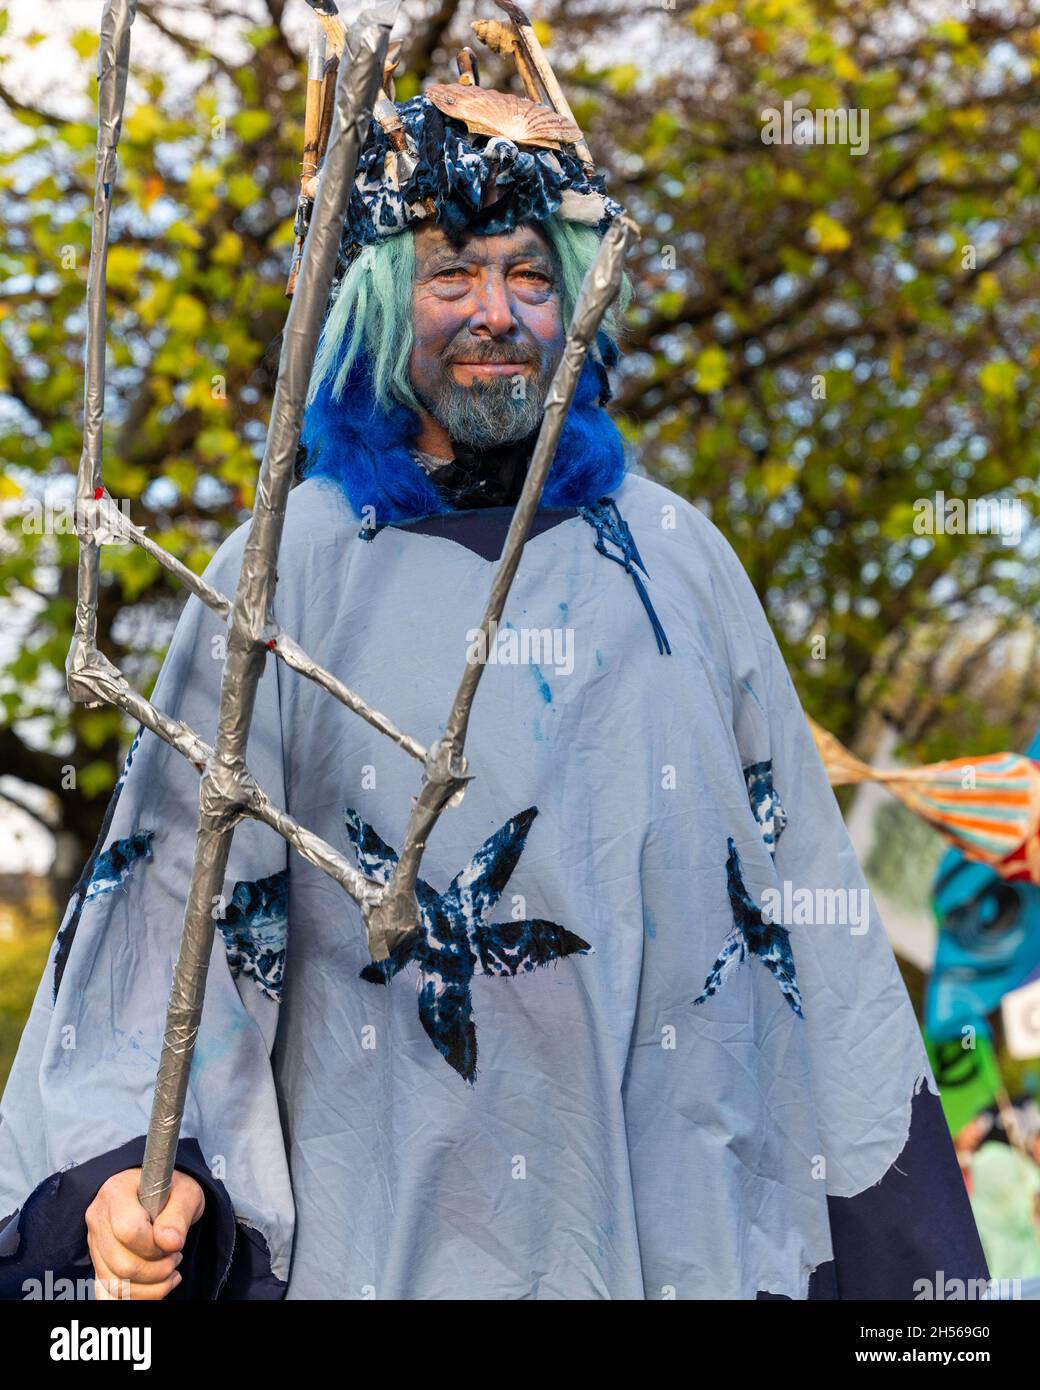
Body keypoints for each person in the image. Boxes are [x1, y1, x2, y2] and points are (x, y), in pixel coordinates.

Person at [0, 63, 988, 1302]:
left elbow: (806, 929)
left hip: (672, 1231)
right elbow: (166, 933)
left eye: (528, 274)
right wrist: (135, 1183)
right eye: (451, 272)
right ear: (371, 303)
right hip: (383, 1238)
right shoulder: (281, 569)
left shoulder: (672, 565)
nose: (496, 312)